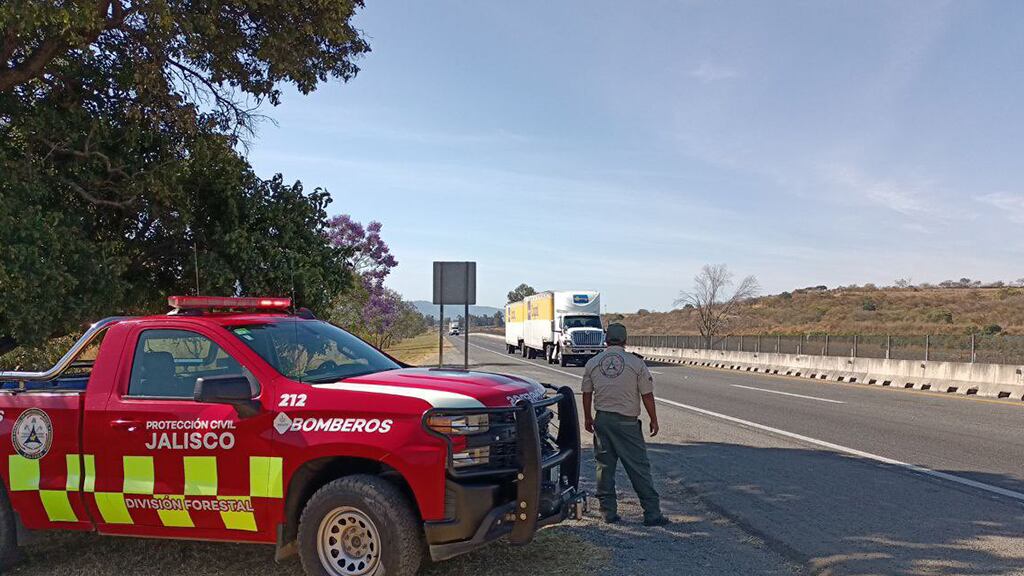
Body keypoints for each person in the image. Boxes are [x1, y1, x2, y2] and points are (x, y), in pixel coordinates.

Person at [581, 323, 669, 526]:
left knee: (604, 466)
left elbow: (587, 393)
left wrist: (587, 417)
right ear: (625, 340)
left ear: (606, 340)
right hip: (627, 423)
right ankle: (652, 513)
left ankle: (607, 511)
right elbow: (647, 394)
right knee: (638, 467)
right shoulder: (636, 363)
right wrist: (653, 418)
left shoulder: (593, 362)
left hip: (602, 420)